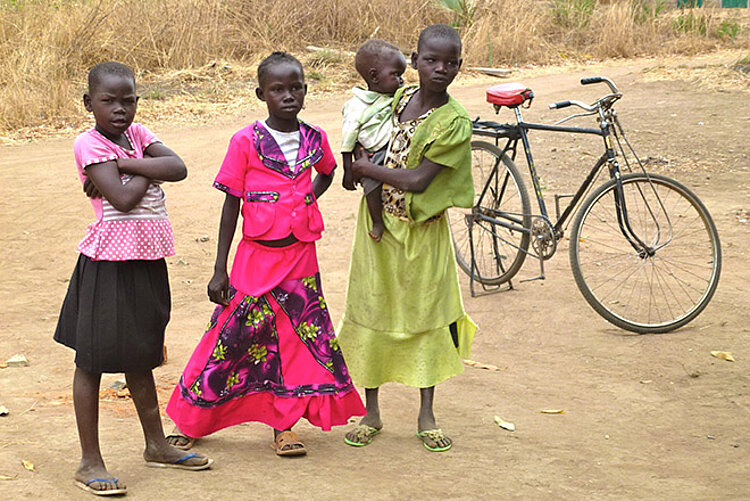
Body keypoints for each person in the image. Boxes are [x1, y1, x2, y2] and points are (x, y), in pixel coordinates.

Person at [165, 51, 365, 457]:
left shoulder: (315, 138)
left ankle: (284, 427)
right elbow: (230, 206)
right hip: (254, 260)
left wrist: (309, 198)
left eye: (296, 88)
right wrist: (219, 269)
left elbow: (327, 170)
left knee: (296, 342)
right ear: (262, 94)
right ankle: (191, 419)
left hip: (300, 259)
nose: (288, 96)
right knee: (229, 337)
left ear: (306, 91)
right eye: (278, 89)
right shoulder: (245, 141)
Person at [54, 61, 212, 497]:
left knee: (142, 355)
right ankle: (90, 461)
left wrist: (129, 163)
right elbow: (122, 200)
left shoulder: (138, 137)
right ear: (90, 104)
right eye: (109, 101)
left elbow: (178, 168)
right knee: (91, 360)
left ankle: (156, 444)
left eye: (128, 100)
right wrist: (144, 168)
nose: (120, 109)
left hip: (146, 258)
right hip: (106, 264)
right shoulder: (88, 144)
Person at [337, 25, 477, 452]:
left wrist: (362, 170)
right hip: (377, 233)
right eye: (431, 60)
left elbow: (417, 181)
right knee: (371, 312)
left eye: (450, 62)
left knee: (425, 318)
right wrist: (352, 156)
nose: (440, 69)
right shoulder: (395, 99)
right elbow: (360, 131)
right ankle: (371, 412)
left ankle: (426, 414)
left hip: (423, 233)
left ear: (458, 66)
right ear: (413, 62)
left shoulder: (454, 122)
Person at [341, 39, 407, 242]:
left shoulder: (396, 96)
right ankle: (377, 222)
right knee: (371, 185)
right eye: (395, 75)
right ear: (374, 76)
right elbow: (348, 139)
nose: (401, 81)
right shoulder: (356, 106)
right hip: (373, 153)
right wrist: (348, 170)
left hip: (394, 149)